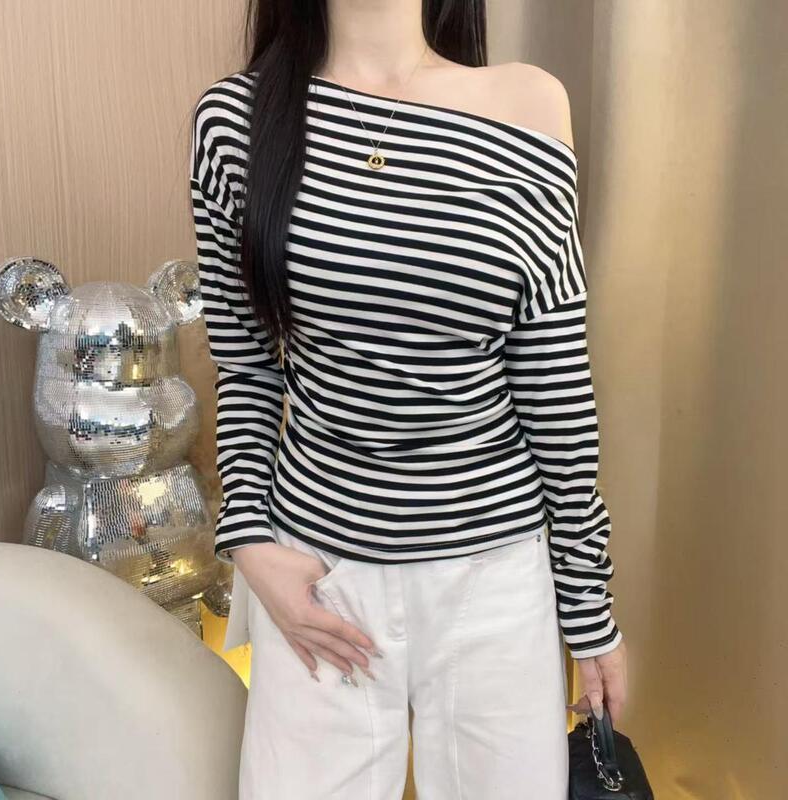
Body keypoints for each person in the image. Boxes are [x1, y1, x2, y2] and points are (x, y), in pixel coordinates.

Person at [189, 1, 627, 797]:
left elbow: (555, 381)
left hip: (494, 578)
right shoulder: (237, 121)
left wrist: (589, 608)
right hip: (319, 577)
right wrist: (250, 542)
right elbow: (245, 366)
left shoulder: (529, 104)